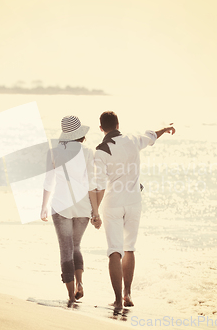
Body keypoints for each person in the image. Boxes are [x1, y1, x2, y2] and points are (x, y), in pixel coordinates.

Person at [94, 111, 175, 310]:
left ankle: (118, 300)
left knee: (115, 250)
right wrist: (165, 129)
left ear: (101, 128)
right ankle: (128, 293)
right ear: (118, 124)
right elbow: (151, 136)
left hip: (112, 203)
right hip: (133, 201)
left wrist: (94, 212)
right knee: (129, 248)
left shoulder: (100, 150)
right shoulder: (131, 140)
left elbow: (98, 184)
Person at [40, 115, 102, 305]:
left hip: (60, 206)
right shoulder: (88, 152)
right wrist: (95, 211)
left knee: (65, 249)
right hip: (83, 206)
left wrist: (43, 206)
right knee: (76, 246)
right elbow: (92, 183)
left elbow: (49, 182)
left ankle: (70, 295)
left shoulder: (53, 153)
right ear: (80, 134)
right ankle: (80, 283)